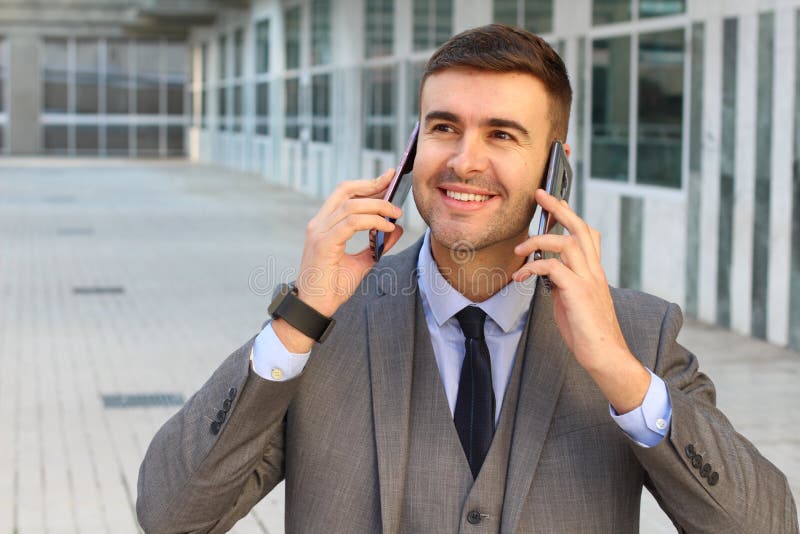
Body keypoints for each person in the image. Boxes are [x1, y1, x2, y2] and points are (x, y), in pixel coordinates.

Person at [137, 24, 798, 533]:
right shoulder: (322, 326)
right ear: (411, 149)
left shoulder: (639, 335)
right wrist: (298, 321)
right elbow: (172, 515)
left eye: (502, 135)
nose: (463, 160)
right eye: (443, 127)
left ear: (555, 166)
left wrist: (620, 375)